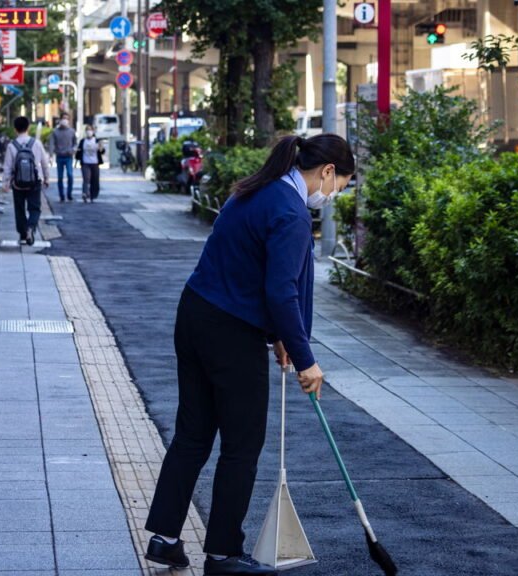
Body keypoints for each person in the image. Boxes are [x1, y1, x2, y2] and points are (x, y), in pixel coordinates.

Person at [144, 134, 355, 576]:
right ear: (328, 171)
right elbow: (281, 292)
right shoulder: (291, 212)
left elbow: (254, 272)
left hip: (196, 315)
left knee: (194, 434)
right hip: (231, 333)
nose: (332, 196)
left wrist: (281, 336)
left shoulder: (258, 189)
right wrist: (305, 358)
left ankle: (164, 539)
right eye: (339, 186)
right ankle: (222, 554)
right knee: (242, 446)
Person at [3, 116, 50, 245]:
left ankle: (23, 234)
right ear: (28, 127)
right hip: (34, 182)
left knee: (19, 209)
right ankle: (31, 227)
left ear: (15, 129)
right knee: (35, 208)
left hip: (17, 183)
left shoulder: (12, 146)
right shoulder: (36, 143)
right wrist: (46, 178)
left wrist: (5, 183)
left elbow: (7, 167)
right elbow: (44, 163)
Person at [50, 115, 77, 202]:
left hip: (69, 156)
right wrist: (51, 155)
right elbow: (52, 144)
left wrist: (73, 150)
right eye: (63, 119)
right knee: (60, 177)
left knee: (70, 175)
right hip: (59, 156)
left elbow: (75, 143)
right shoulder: (55, 132)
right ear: (60, 120)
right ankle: (61, 195)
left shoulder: (72, 131)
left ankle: (69, 194)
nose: (64, 121)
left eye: (66, 119)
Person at [76, 126, 104, 203]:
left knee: (94, 180)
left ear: (93, 131)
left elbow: (102, 151)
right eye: (87, 130)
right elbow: (79, 151)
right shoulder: (83, 141)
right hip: (85, 163)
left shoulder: (97, 141)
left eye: (90, 130)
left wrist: (101, 147)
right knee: (86, 178)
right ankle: (85, 193)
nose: (89, 132)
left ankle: (93, 195)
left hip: (95, 163)